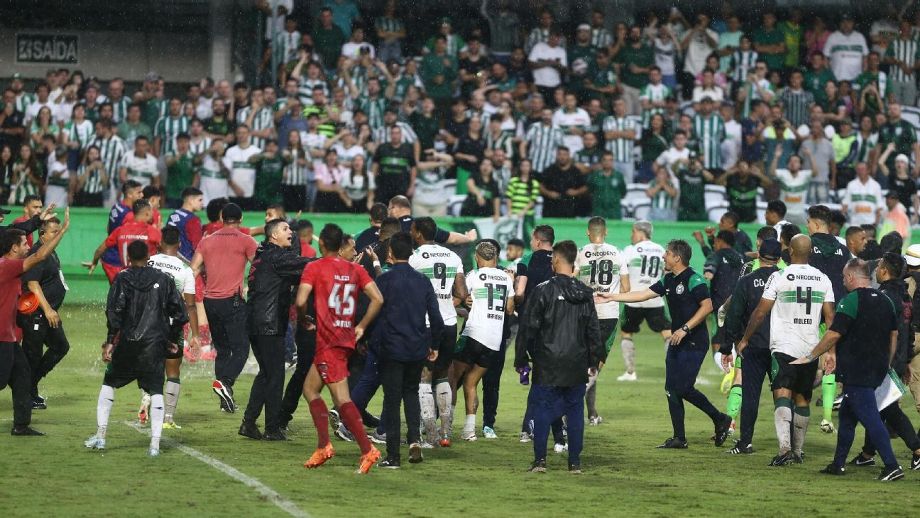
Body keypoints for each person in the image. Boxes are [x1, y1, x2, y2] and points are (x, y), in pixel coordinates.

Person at [600, 239, 732, 449]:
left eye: (667, 253)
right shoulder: (668, 279)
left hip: (694, 343)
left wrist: (685, 328)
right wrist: (612, 297)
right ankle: (679, 437)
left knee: (683, 388)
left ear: (677, 258)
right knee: (671, 389)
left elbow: (707, 307)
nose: (663, 256)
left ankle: (720, 419)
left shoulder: (694, 279)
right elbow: (642, 294)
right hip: (676, 342)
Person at [793, 259, 904, 481]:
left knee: (871, 419)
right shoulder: (885, 300)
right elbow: (894, 335)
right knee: (846, 416)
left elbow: (834, 333)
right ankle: (838, 463)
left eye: (844, 277)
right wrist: (887, 363)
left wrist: (812, 356)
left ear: (852, 277)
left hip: (857, 370)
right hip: (877, 368)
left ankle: (892, 466)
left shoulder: (851, 300)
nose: (843, 281)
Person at [737, 234, 835, 466]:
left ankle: (784, 450)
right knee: (802, 399)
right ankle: (798, 451)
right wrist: (831, 351)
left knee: (782, 394)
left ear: (790, 250)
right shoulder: (823, 278)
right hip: (811, 347)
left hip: (784, 346)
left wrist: (745, 339)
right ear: (810, 251)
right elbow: (831, 318)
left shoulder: (779, 276)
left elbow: (760, 312)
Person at [84, 240, 188, 456]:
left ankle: (101, 437)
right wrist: (170, 337)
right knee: (156, 389)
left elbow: (114, 313)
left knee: (109, 383)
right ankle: (155, 445)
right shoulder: (165, 279)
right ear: (149, 255)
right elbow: (181, 314)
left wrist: (111, 341)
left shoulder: (122, 278)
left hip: (127, 344)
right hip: (154, 345)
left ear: (128, 258)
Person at [298, 223, 384, 474]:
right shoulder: (355, 269)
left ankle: (367, 449)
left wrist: (304, 317)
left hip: (329, 340)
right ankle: (324, 444)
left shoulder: (314, 267)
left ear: (321, 243)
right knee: (310, 389)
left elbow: (302, 300)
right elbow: (378, 298)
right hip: (345, 337)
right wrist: (362, 325)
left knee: (341, 398)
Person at [515, 239, 602, 474]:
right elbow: (593, 329)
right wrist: (594, 360)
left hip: (547, 361)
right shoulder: (585, 292)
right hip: (576, 362)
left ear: (555, 260)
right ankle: (574, 463)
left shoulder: (543, 289)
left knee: (543, 409)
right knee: (574, 411)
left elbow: (528, 328)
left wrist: (521, 359)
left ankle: (540, 461)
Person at [374, 232, 444, 467]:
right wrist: (434, 345)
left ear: (391, 253)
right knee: (411, 392)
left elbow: (372, 314)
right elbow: (437, 318)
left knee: (392, 401)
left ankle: (393, 456)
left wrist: (370, 344)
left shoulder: (384, 281)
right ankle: (414, 439)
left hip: (392, 348)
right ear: (411, 253)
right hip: (417, 347)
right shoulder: (422, 281)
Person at [239, 218, 311, 441]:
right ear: (273, 236)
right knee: (275, 375)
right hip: (268, 324)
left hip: (256, 322)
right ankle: (272, 428)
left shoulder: (264, 256)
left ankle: (249, 423)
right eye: (285, 229)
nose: (291, 232)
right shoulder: (277, 257)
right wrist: (334, 262)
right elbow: (306, 266)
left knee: (267, 373)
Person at [1, 208, 70, 436]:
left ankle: (21, 425)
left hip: (10, 335)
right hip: (2, 335)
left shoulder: (8, 265)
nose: (27, 246)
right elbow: (39, 256)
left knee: (22, 376)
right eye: (23, 244)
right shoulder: (8, 266)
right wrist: (63, 232)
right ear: (13, 248)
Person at [849, 253, 920, 470]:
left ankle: (917, 450)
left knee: (888, 409)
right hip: (897, 360)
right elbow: (907, 332)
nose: (876, 270)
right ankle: (868, 453)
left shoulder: (884, 296)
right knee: (877, 407)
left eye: (879, 265)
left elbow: (879, 331)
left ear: (885, 270)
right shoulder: (904, 295)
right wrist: (906, 360)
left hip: (883, 360)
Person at [190, 203, 258, 412]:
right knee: (241, 350)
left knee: (222, 350)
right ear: (241, 219)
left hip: (210, 302)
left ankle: (224, 401)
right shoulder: (247, 241)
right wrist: (250, 286)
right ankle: (226, 383)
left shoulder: (207, 241)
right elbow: (259, 267)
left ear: (221, 218)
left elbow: (193, 269)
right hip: (233, 301)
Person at [723, 239, 783, 454]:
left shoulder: (747, 281)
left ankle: (745, 442)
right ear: (779, 258)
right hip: (782, 348)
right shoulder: (786, 280)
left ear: (758, 255)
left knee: (751, 395)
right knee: (784, 395)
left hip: (754, 345)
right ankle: (790, 445)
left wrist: (726, 345)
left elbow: (734, 315)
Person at [408, 217, 465, 445]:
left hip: (426, 323)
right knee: (443, 374)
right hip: (449, 323)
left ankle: (429, 435)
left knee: (424, 377)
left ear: (419, 234)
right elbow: (461, 292)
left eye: (413, 230)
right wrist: (445, 302)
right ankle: (445, 434)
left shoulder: (415, 258)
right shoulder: (453, 256)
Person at [450, 241, 513, 443]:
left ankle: (445, 426)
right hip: (494, 340)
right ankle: (469, 430)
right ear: (495, 257)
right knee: (471, 382)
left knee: (453, 378)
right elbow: (510, 309)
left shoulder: (474, 276)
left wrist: (463, 300)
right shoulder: (506, 277)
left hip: (474, 333)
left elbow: (460, 298)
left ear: (477, 257)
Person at [575, 217, 629, 425]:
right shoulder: (617, 253)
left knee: (586, 363)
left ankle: (591, 413)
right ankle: (569, 407)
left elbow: (571, 278)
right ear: (605, 232)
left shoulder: (581, 252)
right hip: (608, 315)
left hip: (585, 313)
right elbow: (625, 289)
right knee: (594, 366)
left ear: (588, 232)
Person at [146, 227, 199, 429]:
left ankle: (146, 403)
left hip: (147, 324)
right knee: (173, 371)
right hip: (172, 326)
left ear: (159, 243)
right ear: (179, 244)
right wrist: (195, 335)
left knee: (150, 368)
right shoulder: (185, 271)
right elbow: (191, 305)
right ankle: (167, 417)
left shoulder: (149, 262)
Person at [21, 217, 70, 410]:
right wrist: (48, 309)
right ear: (42, 235)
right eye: (54, 232)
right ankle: (26, 395)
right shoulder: (38, 253)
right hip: (37, 314)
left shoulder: (50, 252)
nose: (57, 235)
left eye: (59, 231)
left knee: (60, 346)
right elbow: (33, 284)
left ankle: (31, 385)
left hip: (48, 314)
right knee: (31, 356)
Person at [618, 221, 671, 381]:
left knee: (626, 332)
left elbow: (622, 270)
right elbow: (667, 272)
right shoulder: (661, 249)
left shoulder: (630, 250)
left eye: (632, 232)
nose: (631, 235)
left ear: (640, 232)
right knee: (668, 333)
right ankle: (675, 370)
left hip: (633, 300)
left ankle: (630, 372)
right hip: (654, 299)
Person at [88, 199, 162, 274]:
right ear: (147, 213)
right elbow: (165, 249)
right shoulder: (152, 232)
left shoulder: (120, 230)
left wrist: (94, 262)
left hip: (126, 277)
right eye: (152, 211)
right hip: (147, 277)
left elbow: (100, 250)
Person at [165, 187, 204, 262]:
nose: (202, 203)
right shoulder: (193, 220)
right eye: (200, 200)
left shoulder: (173, 215)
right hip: (187, 262)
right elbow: (198, 246)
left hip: (170, 258)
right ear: (190, 200)